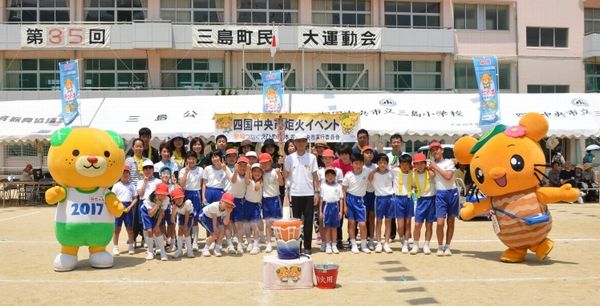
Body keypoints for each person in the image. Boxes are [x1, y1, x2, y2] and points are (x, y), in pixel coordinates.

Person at [283, 132, 319, 254]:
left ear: (306, 142)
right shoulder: (289, 158)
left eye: (303, 141)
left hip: (309, 193)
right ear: (295, 143)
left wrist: (316, 192)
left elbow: (315, 177)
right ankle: (297, 246)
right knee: (296, 222)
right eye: (298, 141)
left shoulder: (312, 158)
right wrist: (283, 169)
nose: (301, 143)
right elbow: (285, 175)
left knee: (308, 221)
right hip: (295, 193)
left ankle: (308, 246)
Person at [428, 141, 459, 256]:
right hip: (440, 193)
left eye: (437, 149)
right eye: (432, 150)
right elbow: (431, 178)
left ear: (442, 150)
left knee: (451, 221)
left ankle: (448, 246)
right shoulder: (431, 165)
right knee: (440, 223)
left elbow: (448, 176)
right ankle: (440, 246)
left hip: (452, 192)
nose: (435, 151)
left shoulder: (449, 162)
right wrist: (429, 169)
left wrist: (435, 167)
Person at [342, 154, 371, 254]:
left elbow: (376, 171)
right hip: (350, 199)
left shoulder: (366, 172)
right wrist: (345, 205)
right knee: (352, 223)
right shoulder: (348, 175)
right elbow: (344, 190)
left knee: (362, 224)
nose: (358, 165)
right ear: (352, 164)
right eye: (356, 163)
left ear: (363, 164)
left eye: (360, 163)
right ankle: (353, 244)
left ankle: (363, 245)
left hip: (360, 200)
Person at [368, 153, 395, 253]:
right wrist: (375, 169)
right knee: (379, 221)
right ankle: (379, 242)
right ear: (377, 163)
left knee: (388, 222)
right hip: (379, 199)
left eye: (384, 162)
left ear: (387, 163)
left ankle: (386, 242)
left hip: (390, 198)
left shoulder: (391, 172)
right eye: (380, 163)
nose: (382, 164)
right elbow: (369, 179)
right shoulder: (374, 173)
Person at [410, 153, 436, 255]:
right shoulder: (413, 174)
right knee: (417, 224)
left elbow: (433, 176)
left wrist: (429, 168)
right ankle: (416, 245)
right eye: (417, 163)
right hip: (420, 200)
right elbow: (411, 186)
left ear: (425, 163)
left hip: (431, 200)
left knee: (429, 225)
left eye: (422, 163)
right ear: (414, 165)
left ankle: (426, 245)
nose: (419, 166)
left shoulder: (430, 173)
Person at [178, 151, 203, 250]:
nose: (191, 160)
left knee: (195, 219)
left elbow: (202, 184)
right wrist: (186, 172)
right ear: (186, 160)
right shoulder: (183, 170)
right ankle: (186, 239)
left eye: (193, 158)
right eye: (189, 158)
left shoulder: (200, 169)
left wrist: (202, 196)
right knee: (185, 218)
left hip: (196, 193)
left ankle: (195, 242)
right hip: (186, 194)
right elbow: (182, 184)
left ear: (196, 160)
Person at [111, 165, 138, 256]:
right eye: (123, 172)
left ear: (129, 174)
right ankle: (115, 247)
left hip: (128, 208)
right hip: (119, 207)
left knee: (130, 228)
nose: (125, 174)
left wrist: (130, 206)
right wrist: (118, 205)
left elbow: (135, 198)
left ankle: (131, 246)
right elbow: (113, 198)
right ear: (120, 174)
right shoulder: (116, 185)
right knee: (117, 228)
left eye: (127, 172)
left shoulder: (132, 186)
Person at [198, 192, 235, 257]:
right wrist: (215, 230)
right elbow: (214, 222)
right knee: (215, 234)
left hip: (216, 217)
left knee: (222, 231)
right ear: (221, 201)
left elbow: (225, 223)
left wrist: (229, 212)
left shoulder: (227, 209)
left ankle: (216, 248)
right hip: (205, 216)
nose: (228, 205)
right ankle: (205, 249)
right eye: (226, 203)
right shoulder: (214, 206)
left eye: (229, 204)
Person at [140, 182, 170, 261]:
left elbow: (161, 213)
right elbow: (150, 214)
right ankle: (150, 252)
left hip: (157, 211)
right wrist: (157, 205)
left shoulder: (166, 199)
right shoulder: (150, 198)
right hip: (146, 211)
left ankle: (163, 252)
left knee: (157, 230)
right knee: (149, 231)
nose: (162, 196)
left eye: (164, 194)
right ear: (156, 193)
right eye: (160, 194)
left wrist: (157, 225)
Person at [260, 153, 283, 253]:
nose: (264, 165)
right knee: (268, 223)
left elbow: (282, 183)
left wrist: (279, 174)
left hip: (275, 199)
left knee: (277, 223)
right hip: (265, 199)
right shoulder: (261, 173)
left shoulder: (275, 171)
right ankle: (269, 243)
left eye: (266, 162)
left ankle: (279, 242)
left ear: (271, 162)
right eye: (262, 163)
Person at [392, 153, 415, 253]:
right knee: (400, 225)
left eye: (407, 164)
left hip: (409, 198)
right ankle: (402, 238)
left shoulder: (413, 173)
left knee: (408, 223)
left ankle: (405, 243)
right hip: (398, 199)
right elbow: (387, 168)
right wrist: (396, 165)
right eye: (403, 164)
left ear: (410, 164)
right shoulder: (395, 171)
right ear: (400, 164)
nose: (405, 166)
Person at [228, 156, 250, 254]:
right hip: (231, 200)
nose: (242, 167)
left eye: (244, 166)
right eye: (240, 165)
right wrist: (236, 171)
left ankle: (240, 244)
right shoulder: (234, 174)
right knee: (230, 222)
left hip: (240, 201)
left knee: (239, 224)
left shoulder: (247, 176)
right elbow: (233, 180)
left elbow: (247, 182)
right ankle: (231, 243)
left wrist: (248, 170)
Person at [332, 144, 353, 249]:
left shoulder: (354, 164)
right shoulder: (335, 164)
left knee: (351, 218)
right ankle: (338, 239)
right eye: (342, 154)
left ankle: (351, 238)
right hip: (337, 194)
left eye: (346, 154)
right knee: (339, 218)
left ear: (350, 154)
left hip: (351, 194)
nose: (344, 156)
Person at [320, 167, 344, 254]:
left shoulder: (338, 186)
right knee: (327, 227)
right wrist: (320, 211)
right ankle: (328, 245)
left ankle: (334, 245)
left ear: (335, 176)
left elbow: (341, 199)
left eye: (332, 175)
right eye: (328, 175)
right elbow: (321, 199)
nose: (330, 176)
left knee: (334, 227)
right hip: (327, 207)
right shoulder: (323, 186)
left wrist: (341, 211)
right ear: (325, 176)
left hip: (335, 207)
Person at [245, 163, 264, 255]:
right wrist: (248, 170)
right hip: (246, 204)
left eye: (259, 171)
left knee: (254, 225)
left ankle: (256, 245)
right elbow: (246, 180)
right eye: (254, 171)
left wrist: (259, 181)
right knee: (247, 225)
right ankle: (249, 242)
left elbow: (257, 188)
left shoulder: (261, 182)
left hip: (256, 205)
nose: (257, 173)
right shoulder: (249, 180)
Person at [171, 186, 194, 258]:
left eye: (180, 197)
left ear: (183, 197)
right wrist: (173, 211)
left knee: (186, 230)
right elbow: (172, 220)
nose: (179, 200)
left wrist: (185, 225)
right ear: (174, 200)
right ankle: (179, 251)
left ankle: (189, 250)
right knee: (180, 231)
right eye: (176, 199)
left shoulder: (188, 202)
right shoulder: (174, 206)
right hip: (181, 215)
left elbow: (187, 214)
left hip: (189, 216)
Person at [362, 146, 377, 250]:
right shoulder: (359, 166)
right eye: (366, 152)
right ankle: (363, 240)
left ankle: (371, 239)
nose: (369, 154)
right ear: (362, 154)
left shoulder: (376, 166)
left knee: (372, 217)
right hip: (363, 194)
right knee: (363, 218)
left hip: (373, 193)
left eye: (371, 153)